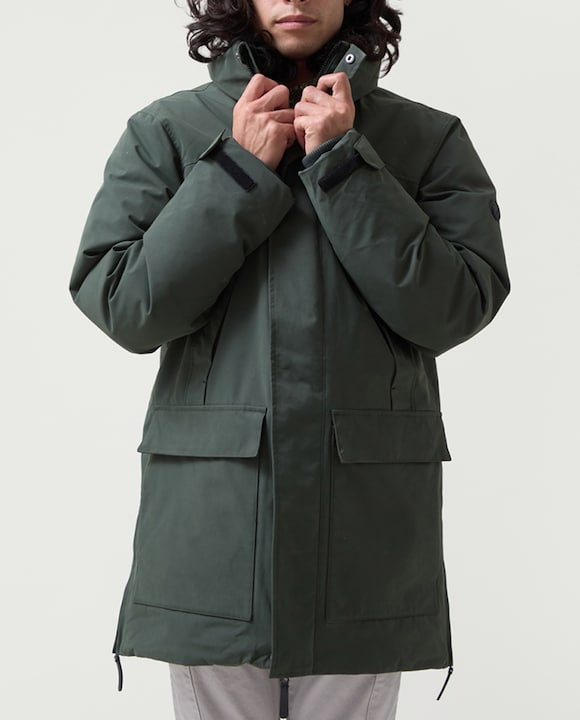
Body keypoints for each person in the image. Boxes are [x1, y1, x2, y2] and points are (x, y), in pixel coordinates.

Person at [69, 0, 510, 717]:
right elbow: (126, 306)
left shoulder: (426, 138)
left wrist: (343, 164)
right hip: (215, 527)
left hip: (363, 533)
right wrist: (236, 171)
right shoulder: (168, 131)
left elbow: (454, 306)